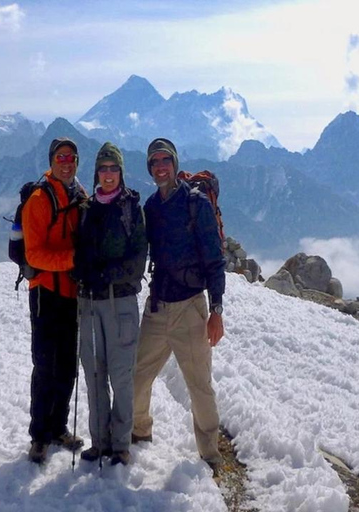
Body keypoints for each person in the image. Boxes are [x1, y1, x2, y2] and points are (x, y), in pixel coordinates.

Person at [132, 137, 227, 474]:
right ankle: (139, 431)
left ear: (174, 163)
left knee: (198, 384)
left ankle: (210, 454)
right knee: (138, 377)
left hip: (190, 306)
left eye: (165, 161)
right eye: (154, 162)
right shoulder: (151, 208)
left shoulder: (195, 203)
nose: (160, 167)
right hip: (158, 306)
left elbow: (215, 260)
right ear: (150, 168)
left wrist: (216, 311)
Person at [73, 142, 147, 466]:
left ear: (121, 172)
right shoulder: (86, 209)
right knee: (94, 375)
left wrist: (103, 274)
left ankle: (120, 445)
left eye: (113, 168)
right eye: (103, 169)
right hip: (89, 303)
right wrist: (81, 271)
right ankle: (99, 442)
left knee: (120, 376)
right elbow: (77, 251)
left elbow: (137, 261)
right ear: (96, 173)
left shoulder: (132, 208)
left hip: (121, 302)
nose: (108, 174)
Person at [22, 137, 87, 464]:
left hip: (71, 295)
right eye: (61, 157)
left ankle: (59, 427)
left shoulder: (79, 195)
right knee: (45, 366)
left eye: (72, 157)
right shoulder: (38, 199)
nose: (67, 162)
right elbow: (33, 253)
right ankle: (39, 435)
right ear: (51, 161)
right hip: (45, 294)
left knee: (66, 367)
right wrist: (73, 260)